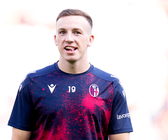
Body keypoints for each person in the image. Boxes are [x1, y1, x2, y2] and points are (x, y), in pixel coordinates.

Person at [8, 9, 133, 140]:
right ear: (56, 39)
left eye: (77, 32)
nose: (69, 39)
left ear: (90, 40)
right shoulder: (33, 83)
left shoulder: (111, 86)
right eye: (62, 32)